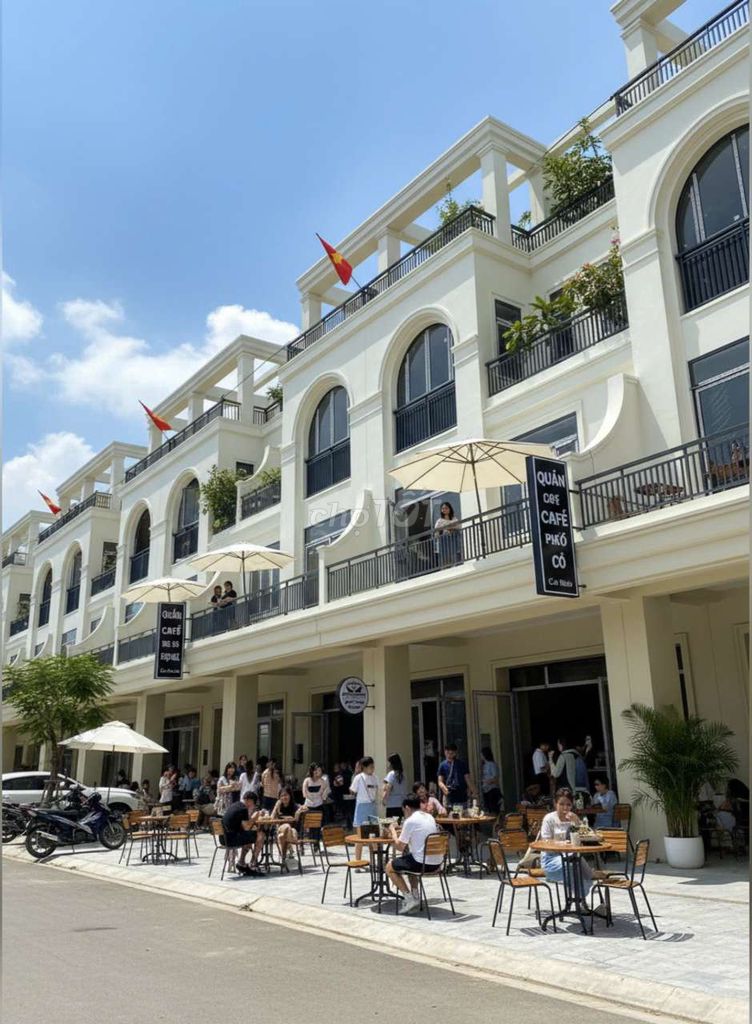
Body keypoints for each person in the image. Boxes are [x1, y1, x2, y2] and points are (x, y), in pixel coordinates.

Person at [540, 787, 599, 909]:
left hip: (570, 857)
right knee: (574, 865)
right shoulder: (549, 819)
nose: (565, 808)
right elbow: (545, 842)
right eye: (561, 804)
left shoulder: (572, 819)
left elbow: (585, 836)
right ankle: (581, 900)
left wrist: (577, 822)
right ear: (555, 804)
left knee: (580, 866)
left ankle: (581, 900)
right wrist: (562, 844)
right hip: (551, 859)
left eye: (568, 805)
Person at [386, 794, 443, 913]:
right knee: (409, 859)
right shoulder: (429, 817)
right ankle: (416, 896)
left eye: (403, 810)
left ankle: (409, 898)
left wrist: (392, 831)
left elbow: (400, 847)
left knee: (389, 867)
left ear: (407, 808)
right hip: (437, 863)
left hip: (422, 864)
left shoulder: (410, 821)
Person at [222, 791, 263, 875]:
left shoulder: (235, 805)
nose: (253, 807)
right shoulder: (243, 809)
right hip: (231, 839)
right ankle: (253, 864)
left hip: (223, 838)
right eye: (253, 804)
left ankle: (241, 862)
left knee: (250, 836)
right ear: (250, 801)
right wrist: (254, 818)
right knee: (260, 836)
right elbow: (246, 828)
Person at [350, 756, 380, 865]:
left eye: (373, 767)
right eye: (371, 767)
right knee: (360, 836)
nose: (373, 769)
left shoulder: (375, 777)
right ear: (364, 767)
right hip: (362, 807)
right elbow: (352, 790)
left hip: (372, 807)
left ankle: (375, 861)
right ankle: (358, 861)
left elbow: (378, 790)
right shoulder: (359, 777)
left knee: (374, 835)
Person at [438, 744, 476, 808]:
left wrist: (474, 792)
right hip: (449, 795)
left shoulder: (462, 764)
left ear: (455, 753)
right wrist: (444, 788)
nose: (449, 755)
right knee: (450, 812)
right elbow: (440, 781)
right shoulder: (442, 765)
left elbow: (468, 779)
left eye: (451, 753)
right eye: (447, 753)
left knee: (462, 811)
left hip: (461, 795)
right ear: (445, 752)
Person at [270, 786, 303, 861]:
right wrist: (276, 806)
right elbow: (271, 818)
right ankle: (289, 850)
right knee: (286, 827)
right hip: (280, 829)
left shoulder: (295, 806)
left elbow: (304, 810)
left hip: (292, 831)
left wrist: (298, 812)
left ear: (290, 795)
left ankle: (284, 857)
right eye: (282, 796)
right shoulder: (279, 806)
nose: (284, 797)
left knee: (282, 835)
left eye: (286, 795)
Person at [434, 501, 462, 566]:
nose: (444, 510)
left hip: (453, 542)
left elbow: (459, 527)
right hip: (443, 543)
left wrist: (451, 529)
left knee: (455, 560)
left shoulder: (454, 519)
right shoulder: (439, 521)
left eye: (446, 508)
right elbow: (436, 533)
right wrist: (445, 529)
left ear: (450, 509)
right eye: (443, 508)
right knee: (445, 562)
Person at [382, 754, 408, 819]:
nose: (388, 765)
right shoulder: (402, 774)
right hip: (402, 803)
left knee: (391, 823)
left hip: (392, 804)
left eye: (389, 763)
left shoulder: (391, 774)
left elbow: (388, 788)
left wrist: (384, 799)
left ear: (392, 763)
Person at [480, 747, 502, 815]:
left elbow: (496, 778)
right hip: (485, 790)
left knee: (494, 809)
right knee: (488, 809)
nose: (481, 756)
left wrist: (487, 781)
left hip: (492, 789)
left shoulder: (492, 764)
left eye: (481, 755)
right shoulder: (484, 765)